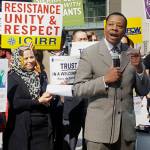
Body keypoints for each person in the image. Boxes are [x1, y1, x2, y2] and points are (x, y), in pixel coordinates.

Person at [72, 12, 150, 150]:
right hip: (98, 133)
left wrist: (139, 69)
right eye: (111, 24)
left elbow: (143, 90)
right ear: (105, 27)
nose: (114, 28)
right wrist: (104, 80)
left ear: (124, 31)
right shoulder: (89, 53)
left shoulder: (132, 53)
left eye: (119, 26)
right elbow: (78, 89)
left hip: (126, 133)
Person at [3, 44, 54, 150]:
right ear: (18, 59)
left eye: (31, 57)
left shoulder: (40, 75)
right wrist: (38, 101)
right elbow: (16, 103)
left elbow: (45, 94)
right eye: (25, 58)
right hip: (22, 129)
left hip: (43, 128)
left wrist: (53, 92)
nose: (30, 60)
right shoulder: (12, 77)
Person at [63, 30, 88, 150]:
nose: (83, 41)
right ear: (73, 41)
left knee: (89, 142)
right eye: (80, 39)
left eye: (85, 39)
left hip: (90, 105)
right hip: (72, 105)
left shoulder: (95, 57)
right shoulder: (65, 58)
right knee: (70, 143)